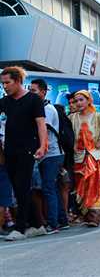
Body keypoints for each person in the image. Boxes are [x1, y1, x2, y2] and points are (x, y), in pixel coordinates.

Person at [0, 67, 48, 241]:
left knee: (22, 186)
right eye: (2, 83)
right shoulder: (4, 102)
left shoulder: (33, 100)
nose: (5, 86)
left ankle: (20, 228)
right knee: (20, 188)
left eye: (7, 82)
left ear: (18, 80)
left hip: (28, 149)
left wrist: (43, 145)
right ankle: (38, 225)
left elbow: (41, 124)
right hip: (9, 150)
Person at [70, 90, 100, 227]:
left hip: (94, 156)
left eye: (81, 100)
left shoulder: (98, 116)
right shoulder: (73, 118)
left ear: (89, 100)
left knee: (95, 186)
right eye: (76, 101)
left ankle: (94, 218)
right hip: (79, 157)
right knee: (83, 187)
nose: (78, 103)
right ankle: (87, 216)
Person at [29, 79, 69, 233]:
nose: (31, 93)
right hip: (50, 154)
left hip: (51, 154)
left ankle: (53, 224)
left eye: (34, 91)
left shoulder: (47, 110)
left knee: (48, 188)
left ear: (43, 92)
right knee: (52, 188)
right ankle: (62, 220)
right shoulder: (42, 108)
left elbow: (41, 131)